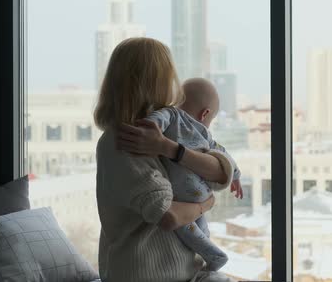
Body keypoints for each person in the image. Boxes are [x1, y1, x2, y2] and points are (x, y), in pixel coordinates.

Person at [94, 37, 236, 282]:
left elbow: (222, 171)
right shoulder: (121, 142)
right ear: (153, 81)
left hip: (185, 272)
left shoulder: (164, 130)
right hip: (145, 274)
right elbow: (168, 215)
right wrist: (206, 204)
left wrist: (170, 148)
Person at [139, 77, 243, 271]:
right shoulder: (206, 134)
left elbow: (152, 124)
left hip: (181, 192)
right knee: (200, 222)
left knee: (186, 225)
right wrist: (236, 175)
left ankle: (213, 254)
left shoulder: (171, 114)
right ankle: (207, 256)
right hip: (202, 189)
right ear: (205, 114)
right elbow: (223, 154)